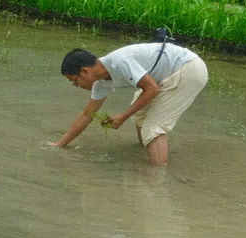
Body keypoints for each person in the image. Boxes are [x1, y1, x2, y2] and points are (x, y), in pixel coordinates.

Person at [51, 39, 208, 165]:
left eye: (74, 81)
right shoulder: (100, 82)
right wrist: (60, 144)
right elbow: (86, 115)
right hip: (172, 72)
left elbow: (151, 89)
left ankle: (157, 179)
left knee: (152, 126)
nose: (76, 86)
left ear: (84, 71)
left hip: (188, 69)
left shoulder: (119, 62)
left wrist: (123, 117)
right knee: (140, 113)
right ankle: (147, 152)